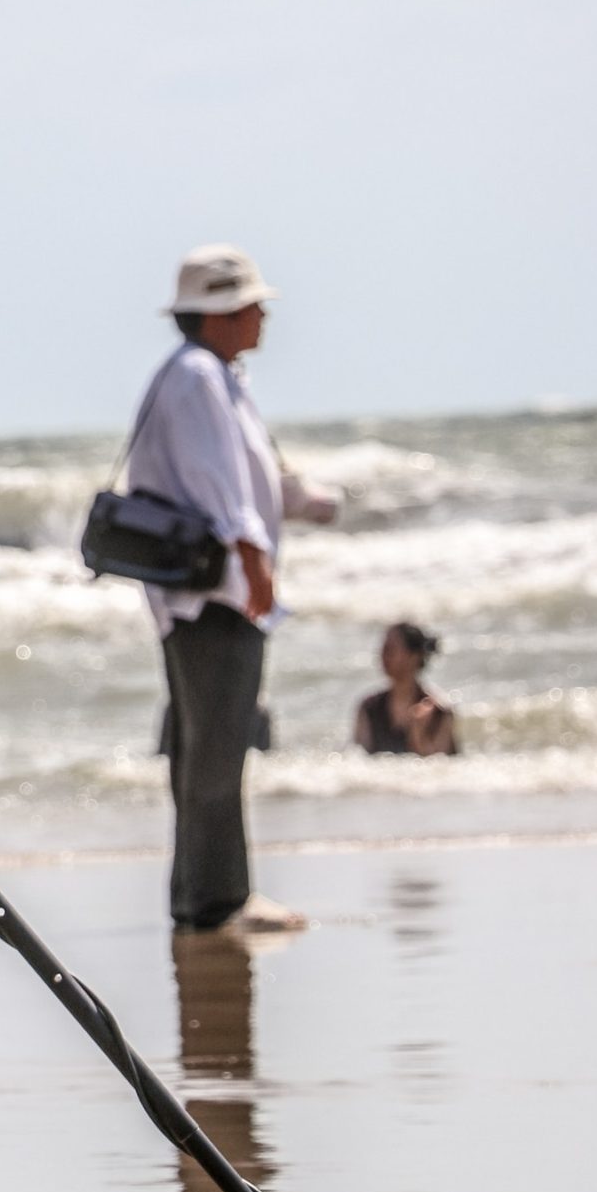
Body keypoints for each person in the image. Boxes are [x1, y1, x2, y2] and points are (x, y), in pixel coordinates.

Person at [125, 244, 336, 937]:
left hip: (202, 592)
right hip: (214, 593)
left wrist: (299, 504)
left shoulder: (206, 374)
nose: (262, 316)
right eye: (251, 305)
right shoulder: (197, 378)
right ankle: (218, 901)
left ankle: (201, 896)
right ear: (219, 312)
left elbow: (232, 477)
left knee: (203, 746)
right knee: (217, 745)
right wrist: (255, 561)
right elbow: (219, 484)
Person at [354, 623, 459, 757]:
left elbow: (442, 768)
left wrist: (418, 733)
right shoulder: (369, 707)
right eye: (383, 650)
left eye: (390, 650)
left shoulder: (440, 711)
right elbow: (358, 760)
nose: (383, 656)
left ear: (414, 657)